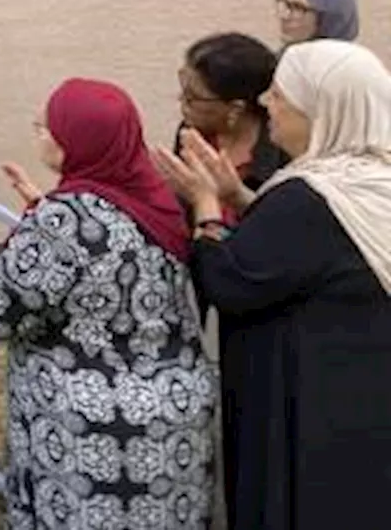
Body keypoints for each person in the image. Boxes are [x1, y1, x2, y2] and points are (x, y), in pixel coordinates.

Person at [0, 78, 216, 528]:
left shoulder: (64, 220)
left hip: (87, 438)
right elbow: (102, 268)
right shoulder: (154, 199)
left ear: (77, 142)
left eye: (50, 124)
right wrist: (39, 218)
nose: (39, 128)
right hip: (170, 421)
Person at [154, 40, 391, 530]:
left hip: (309, 413)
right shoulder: (370, 182)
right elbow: (297, 252)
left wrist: (204, 207)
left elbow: (234, 279)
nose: (268, 104)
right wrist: (238, 195)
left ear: (322, 111)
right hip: (365, 404)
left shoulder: (310, 198)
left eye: (282, 96)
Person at [173, 32, 289, 224]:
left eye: (193, 97)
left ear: (235, 109)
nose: (182, 103)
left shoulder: (282, 149)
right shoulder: (193, 133)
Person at [276, 0, 359, 45]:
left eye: (298, 8)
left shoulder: (351, 62)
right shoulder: (283, 60)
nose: (284, 16)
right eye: (286, 5)